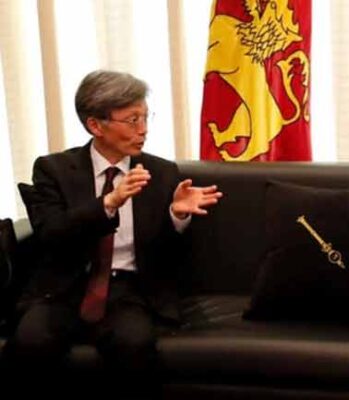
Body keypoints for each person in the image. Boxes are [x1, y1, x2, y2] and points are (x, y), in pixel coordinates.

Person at [4, 70, 222, 398]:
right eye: (132, 120)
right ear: (96, 125)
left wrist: (176, 215)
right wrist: (108, 203)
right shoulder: (54, 170)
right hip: (64, 288)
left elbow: (170, 254)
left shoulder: (161, 172)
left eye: (146, 117)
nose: (143, 129)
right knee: (31, 342)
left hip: (127, 290)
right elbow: (52, 234)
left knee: (134, 344)